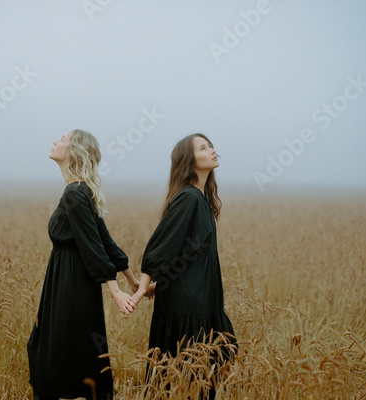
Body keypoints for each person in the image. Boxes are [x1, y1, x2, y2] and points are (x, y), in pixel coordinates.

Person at [27, 129, 139, 400]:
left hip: (70, 284)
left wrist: (116, 291)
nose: (55, 141)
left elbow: (94, 246)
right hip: (70, 281)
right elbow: (106, 242)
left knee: (57, 350)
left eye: (62, 139)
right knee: (71, 348)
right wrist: (132, 280)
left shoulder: (75, 193)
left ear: (74, 151)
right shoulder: (81, 191)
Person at [132, 133, 238, 397]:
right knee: (186, 379)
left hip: (203, 301)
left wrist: (159, 283)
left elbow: (185, 253)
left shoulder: (200, 199)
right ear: (189, 161)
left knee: (207, 377)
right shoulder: (188, 198)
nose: (212, 150)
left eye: (211, 145)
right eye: (203, 148)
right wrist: (140, 290)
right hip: (188, 307)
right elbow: (159, 248)